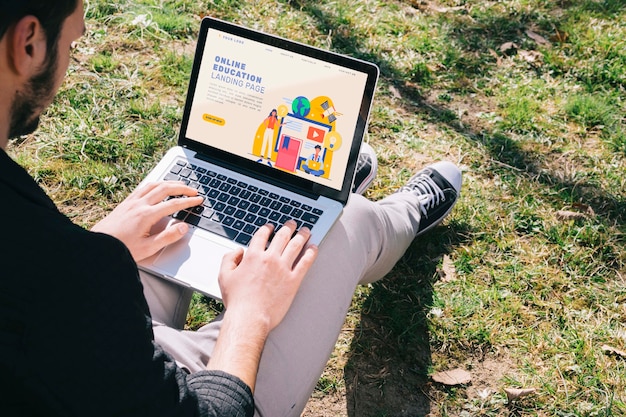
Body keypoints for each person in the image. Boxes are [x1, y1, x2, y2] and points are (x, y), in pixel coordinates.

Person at [0, 1, 463, 416]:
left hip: (95, 356)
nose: (70, 60)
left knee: (171, 213)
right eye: (74, 41)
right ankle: (394, 215)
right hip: (186, 394)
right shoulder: (53, 275)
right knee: (348, 223)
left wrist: (98, 248)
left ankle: (315, 179)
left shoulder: (49, 259)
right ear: (29, 43)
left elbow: (57, 306)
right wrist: (250, 314)